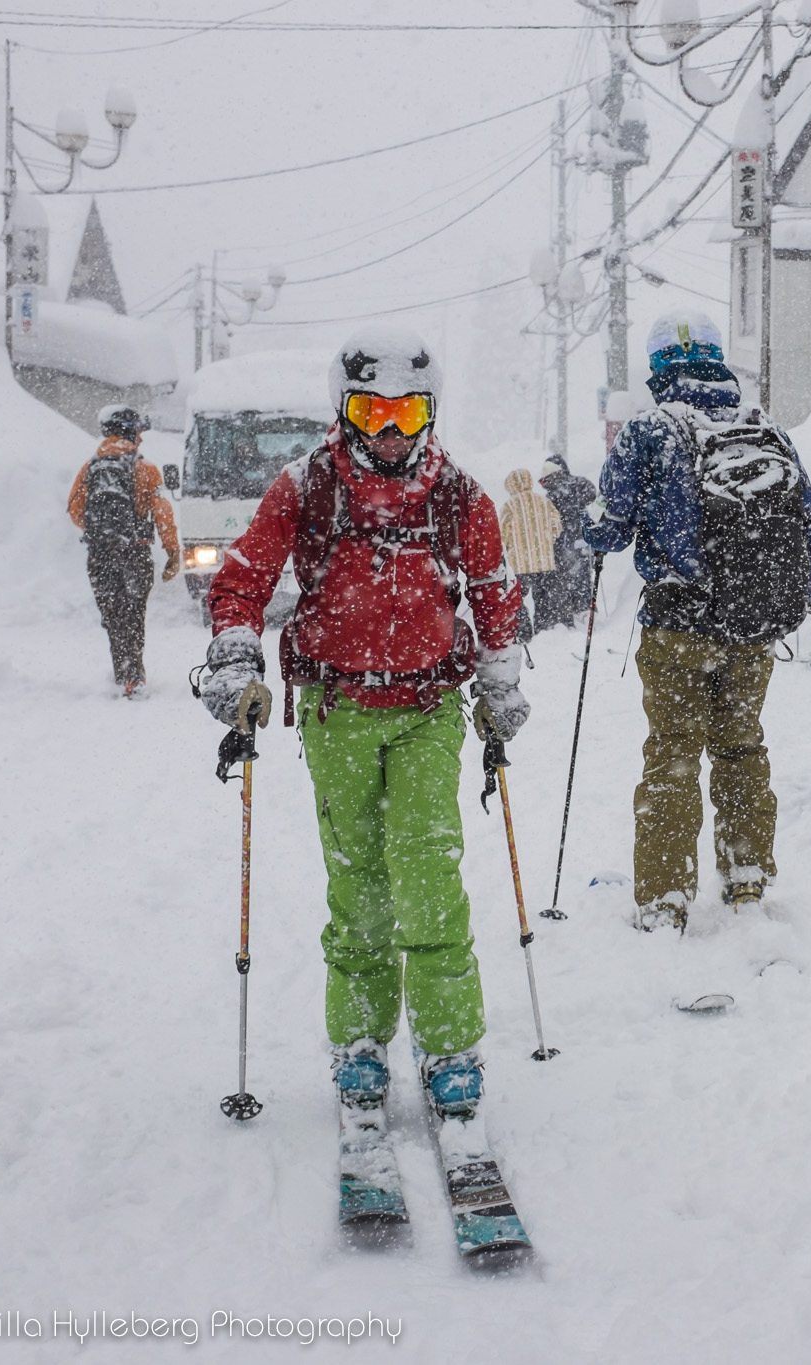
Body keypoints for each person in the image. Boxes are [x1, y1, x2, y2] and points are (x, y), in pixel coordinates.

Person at [192, 324, 528, 1121]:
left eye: (407, 415)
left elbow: (493, 589)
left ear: (430, 414)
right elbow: (241, 579)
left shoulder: (458, 494)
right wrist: (238, 657)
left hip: (426, 707)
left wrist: (500, 679)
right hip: (337, 708)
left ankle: (449, 1046)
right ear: (344, 411)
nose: (388, 432)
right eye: (372, 413)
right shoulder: (307, 486)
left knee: (427, 872)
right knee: (360, 884)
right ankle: (362, 1044)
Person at [586, 311, 811, 932]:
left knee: (673, 755)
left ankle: (666, 900)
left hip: (677, 624)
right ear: (720, 361)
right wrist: (798, 596)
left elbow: (610, 528)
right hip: (751, 629)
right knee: (741, 747)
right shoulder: (763, 428)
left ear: (657, 369)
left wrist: (596, 530)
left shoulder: (650, 429)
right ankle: (746, 876)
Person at [66, 402, 179, 697]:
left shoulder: (90, 468)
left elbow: (75, 509)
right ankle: (135, 677)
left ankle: (122, 673)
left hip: (100, 556)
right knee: (133, 615)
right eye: (139, 431)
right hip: (136, 553)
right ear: (131, 432)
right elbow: (163, 511)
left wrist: (103, 534)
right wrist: (171, 551)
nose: (141, 437)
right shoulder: (146, 469)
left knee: (114, 617)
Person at [496, 467, 564, 643]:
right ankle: (545, 629)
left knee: (516, 599)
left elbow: (502, 534)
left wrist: (512, 546)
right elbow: (557, 526)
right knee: (544, 598)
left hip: (520, 563)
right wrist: (546, 540)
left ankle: (524, 632)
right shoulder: (543, 501)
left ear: (510, 486)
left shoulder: (509, 506)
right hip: (544, 561)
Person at [536, 454, 597, 628]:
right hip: (583, 541)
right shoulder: (582, 484)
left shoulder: (552, 497)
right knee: (583, 578)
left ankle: (567, 620)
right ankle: (585, 613)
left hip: (561, 545)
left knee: (562, 582)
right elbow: (595, 502)